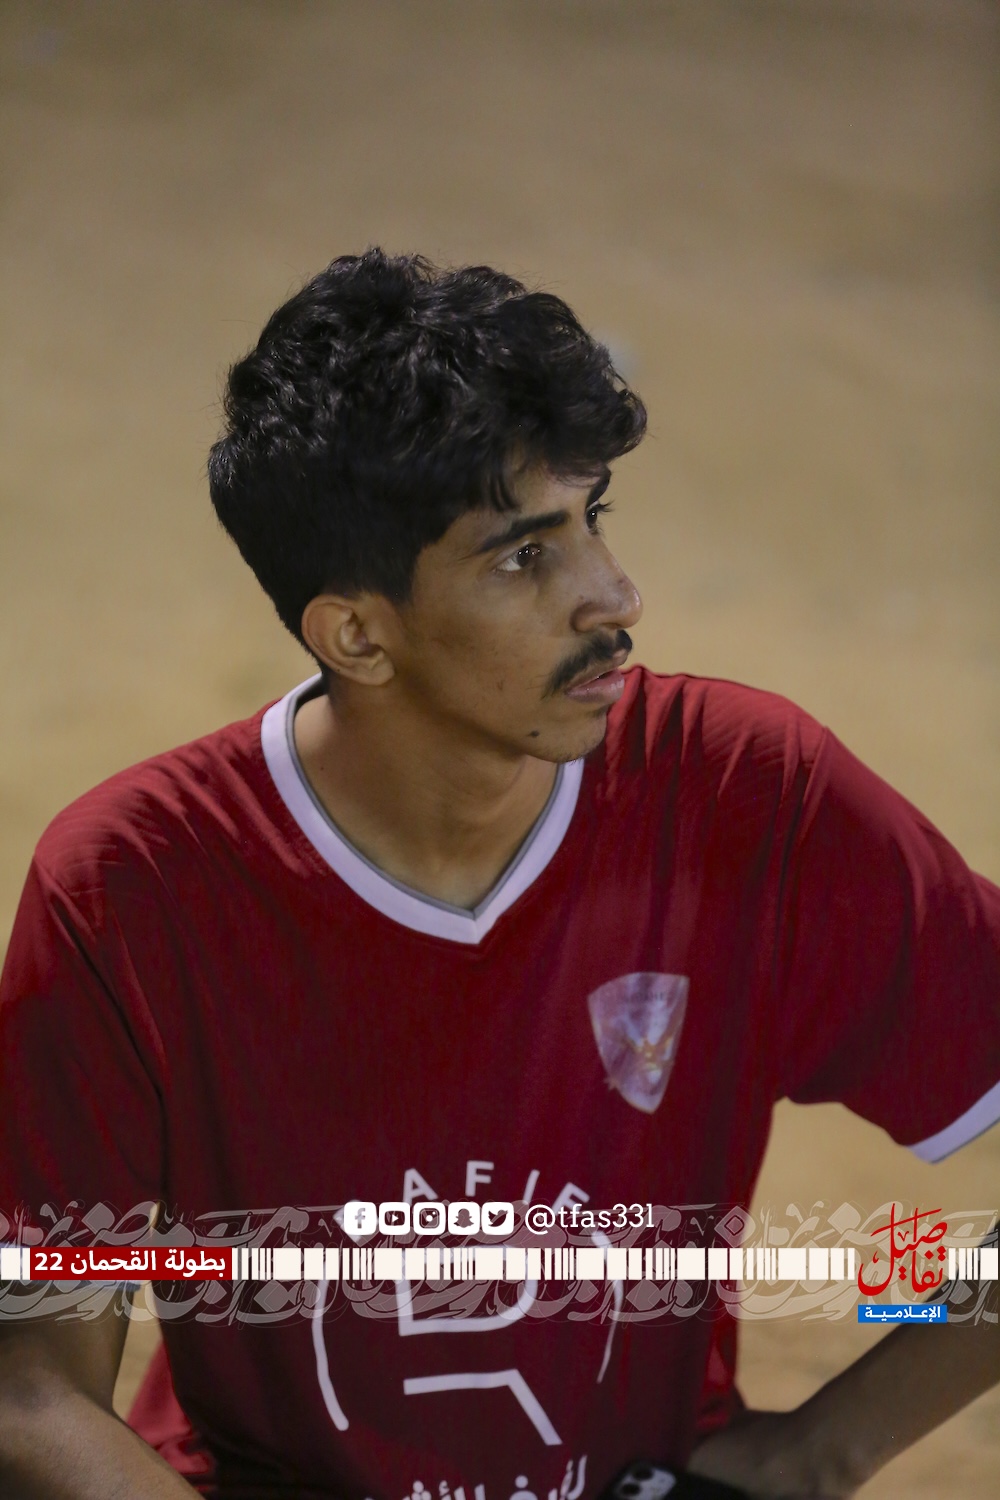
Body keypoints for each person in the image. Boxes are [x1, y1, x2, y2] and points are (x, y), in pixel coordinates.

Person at [0, 249, 997, 1500]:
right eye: (523, 557)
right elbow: (31, 1391)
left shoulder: (750, 799)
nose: (615, 596)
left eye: (593, 519)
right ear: (357, 634)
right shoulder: (132, 887)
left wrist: (816, 1453)